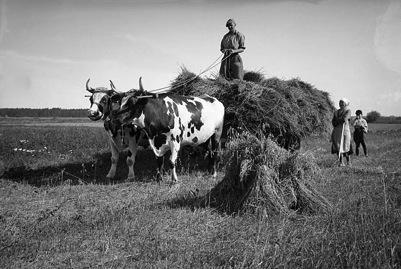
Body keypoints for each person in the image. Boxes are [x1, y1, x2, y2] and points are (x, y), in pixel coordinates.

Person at [331, 98, 352, 166]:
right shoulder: (336, 112)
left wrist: (337, 120)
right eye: (340, 102)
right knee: (338, 146)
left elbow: (344, 118)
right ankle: (341, 162)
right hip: (337, 131)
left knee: (346, 145)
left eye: (342, 102)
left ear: (345, 103)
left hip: (345, 130)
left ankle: (348, 162)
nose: (340, 104)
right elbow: (333, 122)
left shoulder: (348, 110)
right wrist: (338, 120)